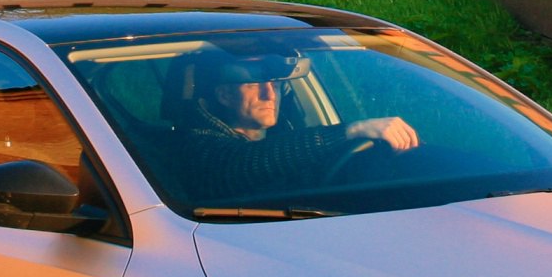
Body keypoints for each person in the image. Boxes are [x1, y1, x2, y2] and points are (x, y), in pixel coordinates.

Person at [172, 53, 418, 203]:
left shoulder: (289, 136)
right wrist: (349, 131)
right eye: (253, 85)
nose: (269, 94)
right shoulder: (199, 146)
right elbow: (244, 163)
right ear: (224, 95)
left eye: (277, 86)